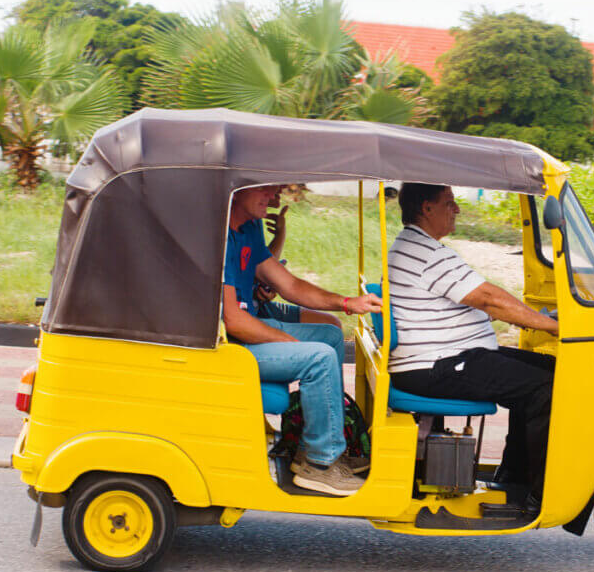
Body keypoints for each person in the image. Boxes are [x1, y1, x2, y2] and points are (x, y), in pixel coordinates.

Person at [386, 182, 559, 508]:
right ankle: (538, 493)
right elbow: (489, 298)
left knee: (551, 371)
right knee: (547, 389)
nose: (458, 209)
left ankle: (514, 478)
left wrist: (521, 316)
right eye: (449, 203)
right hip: (435, 365)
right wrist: (553, 326)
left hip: (441, 357)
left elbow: (459, 301)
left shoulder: (414, 245)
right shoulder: (427, 253)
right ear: (427, 208)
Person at [224, 185, 382, 496]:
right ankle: (321, 464)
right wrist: (285, 340)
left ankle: (317, 445)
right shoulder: (220, 237)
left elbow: (289, 284)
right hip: (229, 349)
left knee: (330, 336)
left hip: (247, 331)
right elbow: (234, 321)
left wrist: (349, 303)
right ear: (241, 187)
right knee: (319, 357)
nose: (273, 198)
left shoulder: (247, 227)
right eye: (267, 189)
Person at [252, 186, 341, 327]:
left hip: (259, 305)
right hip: (251, 312)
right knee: (329, 333)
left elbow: (264, 265)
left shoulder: (253, 221)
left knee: (333, 323)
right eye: (269, 185)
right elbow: (289, 286)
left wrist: (280, 234)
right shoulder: (238, 225)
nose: (279, 190)